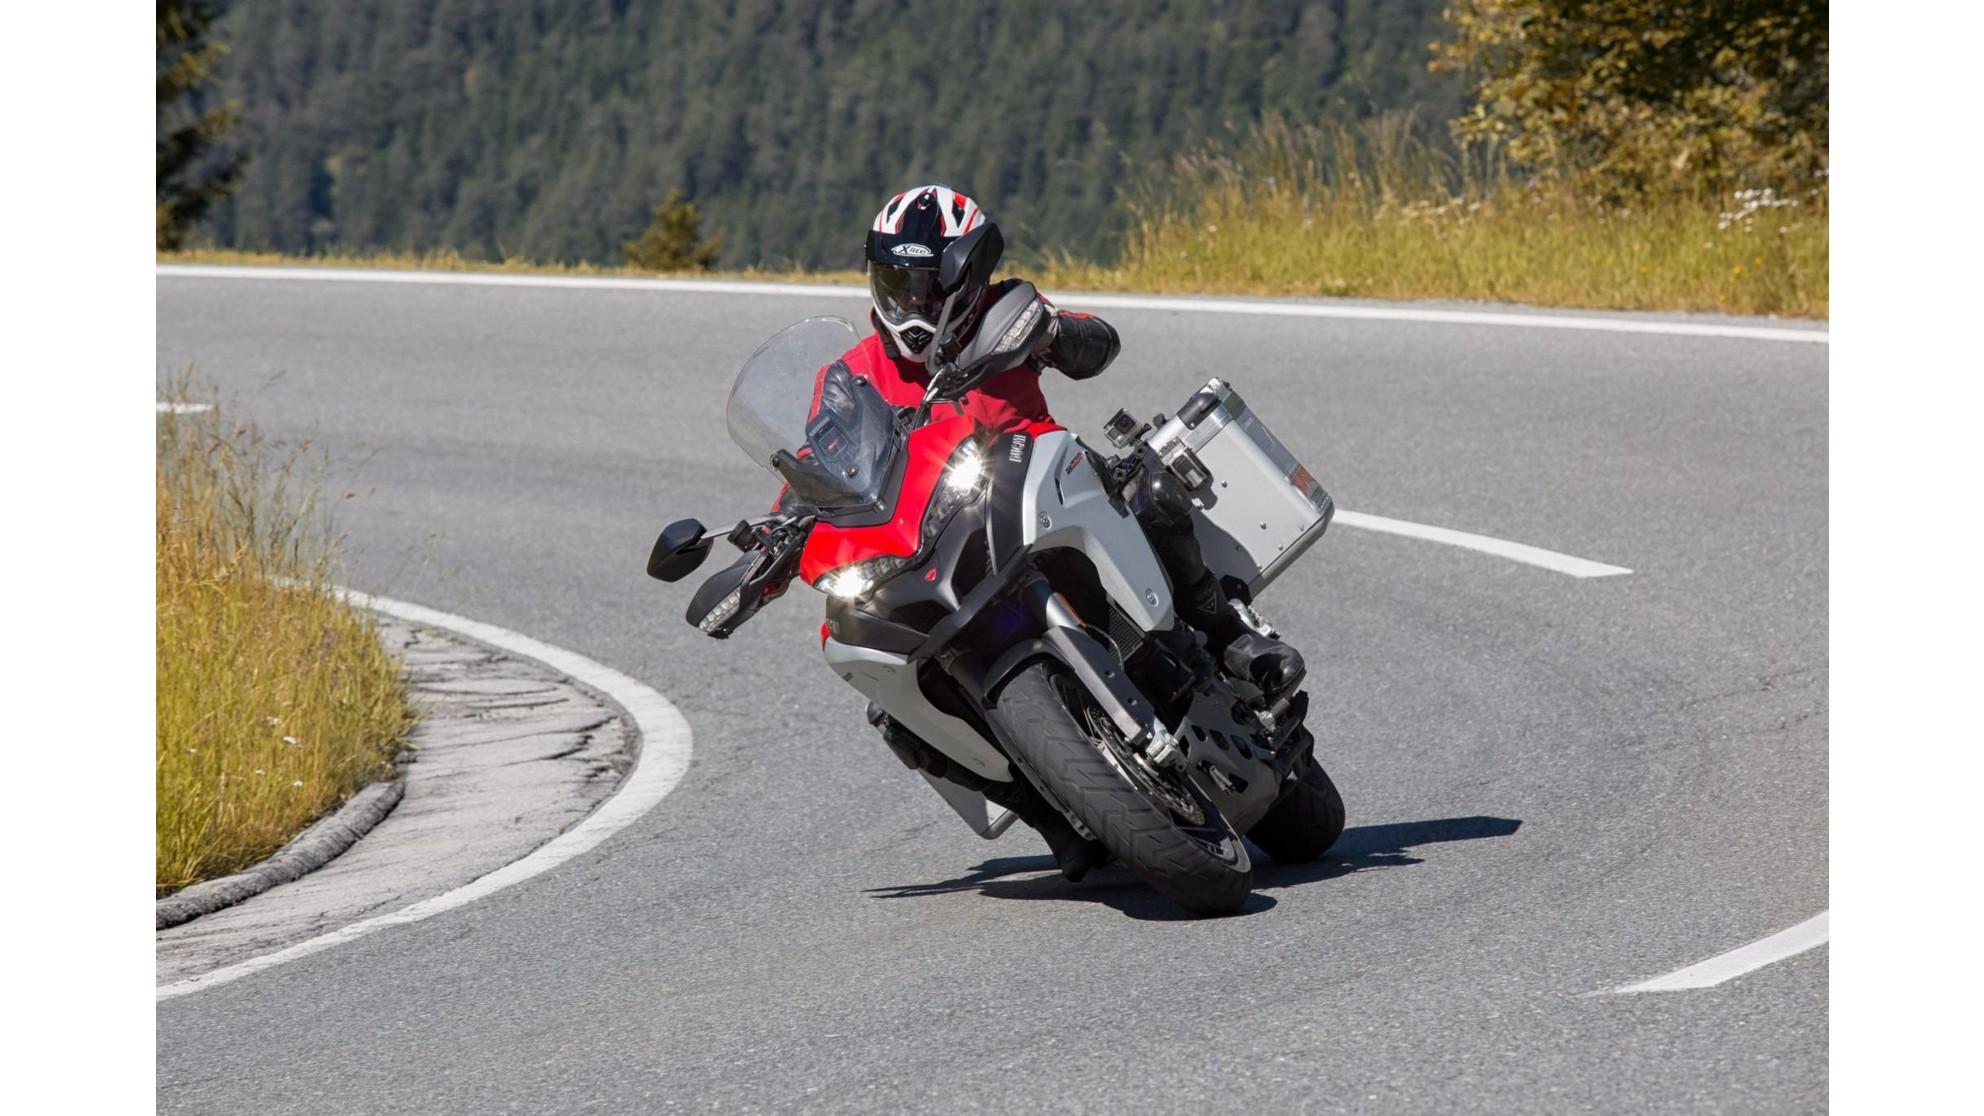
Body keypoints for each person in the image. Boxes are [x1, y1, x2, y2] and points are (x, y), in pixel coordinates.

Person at [820, 185, 1302, 880]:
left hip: (1042, 486)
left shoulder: (1005, 310)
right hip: (935, 539)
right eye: (899, 284)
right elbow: (816, 466)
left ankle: (1226, 635)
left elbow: (1096, 343)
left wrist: (1051, 334)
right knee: (891, 707)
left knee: (1149, 490)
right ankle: (1053, 813)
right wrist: (770, 545)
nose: (913, 303)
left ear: (966, 275)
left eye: (927, 286)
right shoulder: (850, 377)